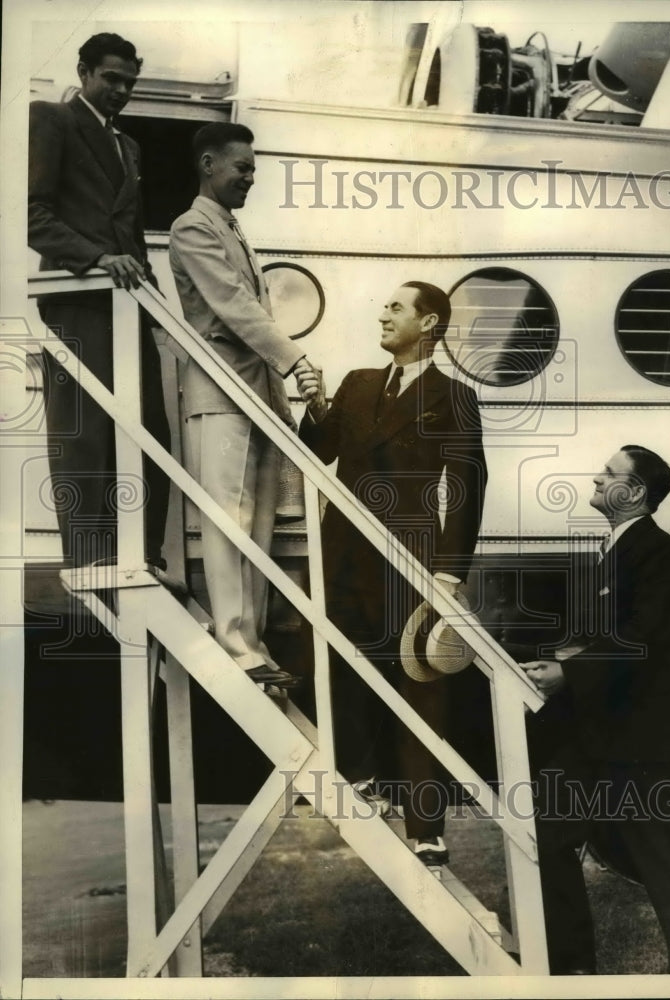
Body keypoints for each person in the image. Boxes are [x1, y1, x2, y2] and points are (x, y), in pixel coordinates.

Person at [298, 282, 487, 866]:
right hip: (342, 550)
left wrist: (450, 574)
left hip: (408, 554)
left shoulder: (453, 396)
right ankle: (359, 780)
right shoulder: (356, 383)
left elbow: (465, 484)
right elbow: (318, 449)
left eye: (396, 307)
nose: (382, 312)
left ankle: (426, 825)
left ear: (429, 324)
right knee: (342, 667)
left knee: (419, 684)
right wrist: (313, 407)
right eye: (384, 304)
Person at [522, 445, 670, 974]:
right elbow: (606, 636)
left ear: (633, 493)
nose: (596, 476)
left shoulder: (658, 552)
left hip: (647, 744)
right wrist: (564, 656)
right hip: (596, 736)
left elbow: (643, 638)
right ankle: (571, 968)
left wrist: (570, 671)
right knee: (547, 837)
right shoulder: (614, 549)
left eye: (608, 473)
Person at [169, 122, 318, 687]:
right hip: (220, 397)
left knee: (255, 528)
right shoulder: (192, 228)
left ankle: (251, 641)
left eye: (253, 169)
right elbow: (232, 305)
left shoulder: (231, 228)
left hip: (254, 397)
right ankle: (233, 641)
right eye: (242, 168)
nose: (250, 178)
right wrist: (295, 359)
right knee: (227, 519)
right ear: (209, 164)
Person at [28, 32, 171, 570]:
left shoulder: (129, 146)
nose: (121, 90)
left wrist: (152, 296)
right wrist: (94, 257)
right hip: (79, 297)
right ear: (84, 72)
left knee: (147, 428)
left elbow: (131, 236)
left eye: (129, 82)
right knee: (83, 431)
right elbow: (33, 215)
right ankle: (88, 554)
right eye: (112, 78)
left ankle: (142, 551)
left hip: (128, 306)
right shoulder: (51, 120)